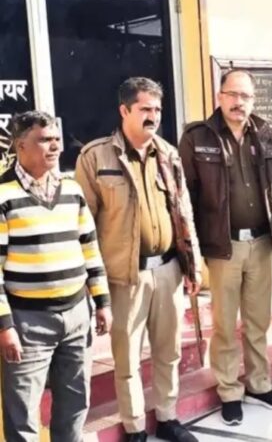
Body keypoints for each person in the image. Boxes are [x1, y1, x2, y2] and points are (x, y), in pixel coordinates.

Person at [75, 77, 202, 442]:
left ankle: (168, 417)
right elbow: (83, 224)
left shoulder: (168, 153)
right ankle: (134, 427)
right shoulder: (96, 157)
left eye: (158, 109)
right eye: (145, 108)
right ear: (124, 110)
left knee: (168, 351)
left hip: (168, 270)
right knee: (128, 357)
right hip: (124, 277)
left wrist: (191, 265)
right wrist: (93, 284)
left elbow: (184, 212)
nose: (153, 116)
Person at [179, 69, 272, 426]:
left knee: (258, 321)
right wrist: (190, 251)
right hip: (222, 247)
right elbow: (186, 199)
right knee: (225, 324)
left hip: (261, 242)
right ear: (219, 96)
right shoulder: (197, 138)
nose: (238, 102)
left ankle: (259, 384)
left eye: (245, 96)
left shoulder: (268, 134)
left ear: (253, 100)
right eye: (232, 94)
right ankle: (230, 391)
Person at [0, 111, 111, 442]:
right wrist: (5, 326)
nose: (55, 147)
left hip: (77, 316)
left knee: (75, 404)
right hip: (28, 323)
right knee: (23, 414)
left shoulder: (72, 189)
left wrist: (102, 302)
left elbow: (90, 250)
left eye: (56, 140)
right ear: (20, 145)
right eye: (44, 140)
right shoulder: (4, 195)